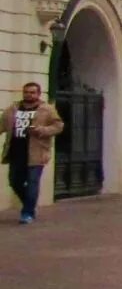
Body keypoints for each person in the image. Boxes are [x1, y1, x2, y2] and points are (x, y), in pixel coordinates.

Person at [3, 82, 64, 225]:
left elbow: (58, 126)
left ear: (38, 94)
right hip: (16, 151)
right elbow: (2, 124)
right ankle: (29, 204)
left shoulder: (47, 109)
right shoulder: (13, 109)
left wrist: (42, 130)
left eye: (32, 92)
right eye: (26, 92)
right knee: (14, 181)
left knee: (32, 183)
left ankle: (27, 213)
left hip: (36, 153)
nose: (28, 95)